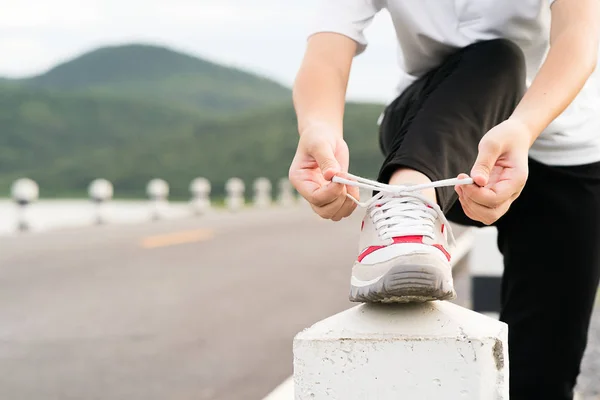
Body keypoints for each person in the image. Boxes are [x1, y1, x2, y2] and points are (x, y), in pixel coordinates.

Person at [289, 0, 600, 399]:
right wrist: (318, 128)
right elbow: (327, 51)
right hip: (433, 137)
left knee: (543, 374)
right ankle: (407, 206)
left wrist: (522, 128)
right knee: (498, 57)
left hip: (564, 149)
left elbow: (579, 36)